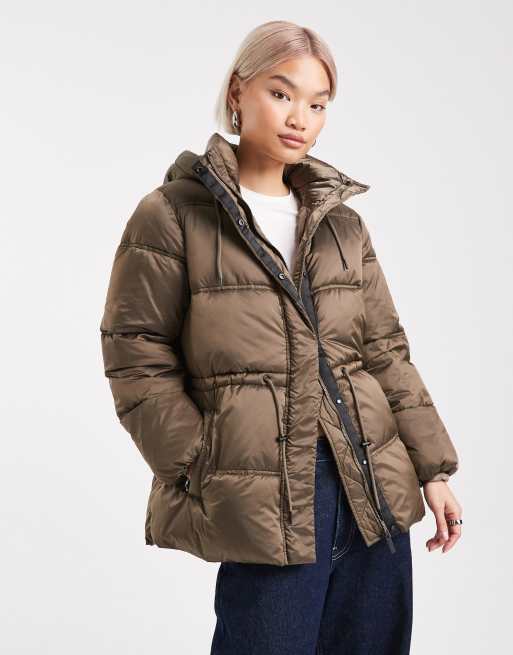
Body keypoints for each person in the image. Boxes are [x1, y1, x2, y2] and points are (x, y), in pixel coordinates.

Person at [100, 20, 463, 655]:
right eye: (281, 93)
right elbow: (135, 353)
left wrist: (432, 469)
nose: (300, 118)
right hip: (270, 498)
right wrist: (199, 461)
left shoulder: (342, 225)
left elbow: (385, 352)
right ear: (237, 93)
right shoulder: (173, 215)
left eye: (318, 104)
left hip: (373, 488)